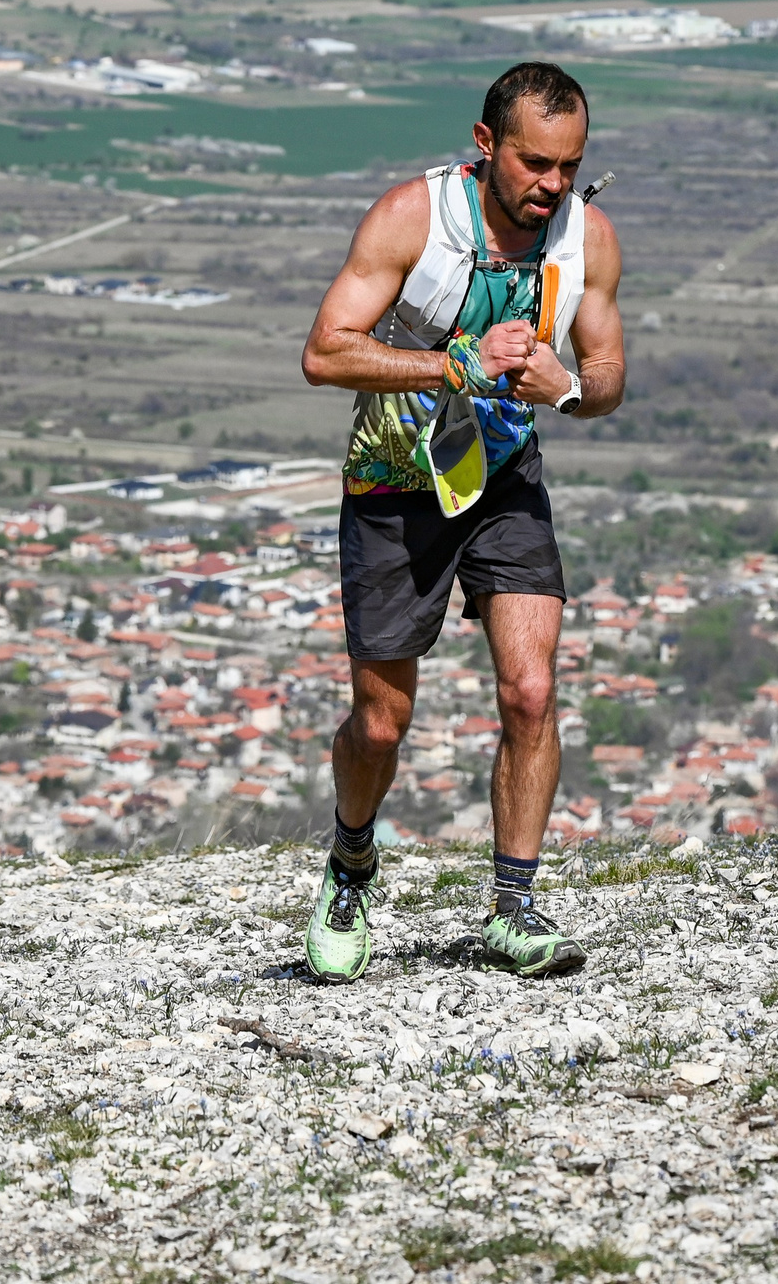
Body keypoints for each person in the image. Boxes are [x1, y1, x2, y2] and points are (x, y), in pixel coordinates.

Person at [297, 60, 627, 982]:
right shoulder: (414, 217)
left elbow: (609, 373)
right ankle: (350, 865)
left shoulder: (587, 239)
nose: (552, 184)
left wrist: (568, 388)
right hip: (395, 482)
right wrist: (456, 364)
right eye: (534, 163)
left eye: (570, 165)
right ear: (486, 144)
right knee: (380, 724)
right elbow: (324, 353)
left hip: (505, 478)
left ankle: (513, 908)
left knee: (531, 690)